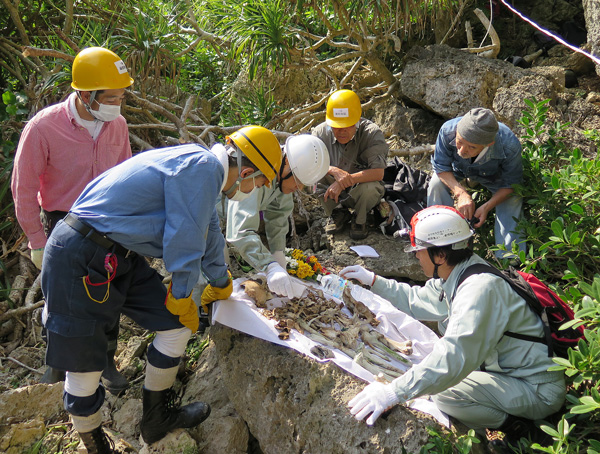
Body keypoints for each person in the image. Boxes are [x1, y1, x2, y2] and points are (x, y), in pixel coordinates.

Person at [40, 125, 282, 451]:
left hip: (117, 255)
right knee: (85, 367)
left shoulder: (203, 170)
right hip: (80, 253)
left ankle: (156, 419)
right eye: (260, 183)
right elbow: (185, 239)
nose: (255, 190)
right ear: (248, 171)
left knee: (176, 326)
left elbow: (208, 230)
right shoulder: (202, 167)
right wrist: (182, 294)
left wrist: (221, 281)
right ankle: (96, 444)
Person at [340, 206, 565, 448]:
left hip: (536, 390)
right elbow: (417, 300)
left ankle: (521, 429)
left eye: (419, 251)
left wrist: (393, 392)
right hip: (510, 377)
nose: (415, 256)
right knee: (434, 376)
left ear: (440, 256)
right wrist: (373, 281)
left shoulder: (479, 290)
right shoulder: (463, 273)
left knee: (446, 393)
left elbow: (454, 357)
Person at [11, 46, 134, 392]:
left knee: (108, 295)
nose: (117, 103)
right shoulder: (43, 128)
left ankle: (105, 361)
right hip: (62, 222)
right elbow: (22, 189)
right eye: (110, 97)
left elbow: (125, 176)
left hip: (108, 222)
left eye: (121, 96)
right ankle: (57, 365)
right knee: (60, 299)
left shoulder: (118, 126)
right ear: (85, 93)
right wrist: (37, 241)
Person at [226, 134, 330, 299]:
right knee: (215, 279)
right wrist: (270, 266)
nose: (299, 187)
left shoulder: (282, 176)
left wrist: (278, 253)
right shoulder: (260, 170)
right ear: (287, 162)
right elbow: (241, 231)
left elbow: (278, 215)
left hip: (225, 222)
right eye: (298, 181)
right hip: (207, 222)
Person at [427, 107, 525, 258]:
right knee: (435, 184)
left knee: (512, 200)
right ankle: (439, 241)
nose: (462, 150)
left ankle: (509, 260)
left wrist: (486, 207)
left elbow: (511, 184)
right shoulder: (448, 130)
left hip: (494, 177)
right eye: (459, 141)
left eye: (472, 147)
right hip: (458, 170)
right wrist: (461, 193)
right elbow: (441, 167)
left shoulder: (509, 145)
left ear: (489, 144)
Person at [312, 89, 388, 240]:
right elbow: (309, 163)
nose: (341, 131)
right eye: (336, 126)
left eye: (347, 125)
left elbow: (378, 173)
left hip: (360, 190)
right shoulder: (320, 133)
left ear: (357, 121)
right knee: (313, 178)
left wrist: (343, 182)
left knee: (370, 188)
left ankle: (361, 219)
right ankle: (337, 213)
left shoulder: (372, 134)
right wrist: (332, 170)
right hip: (331, 190)